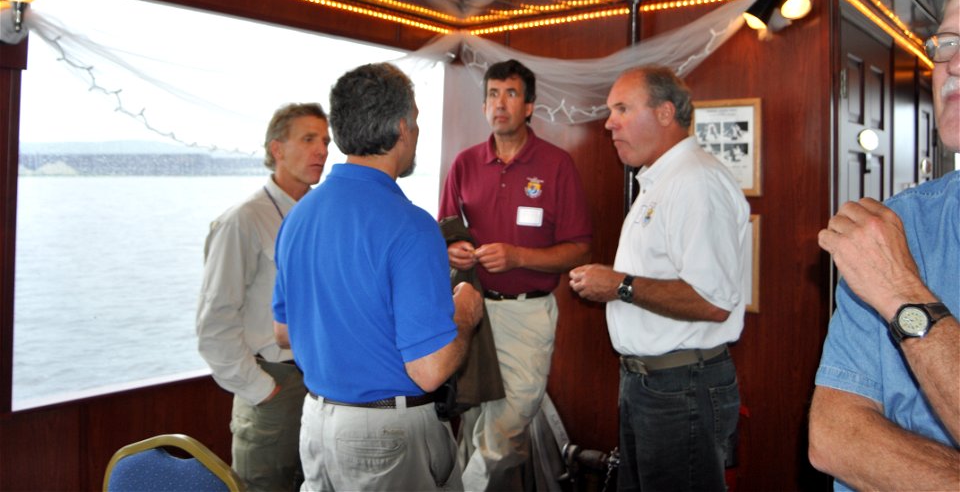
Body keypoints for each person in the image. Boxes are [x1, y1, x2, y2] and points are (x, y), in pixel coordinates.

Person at [272, 62, 483, 491]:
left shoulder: (298, 217)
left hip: (316, 423)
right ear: (403, 127)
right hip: (387, 436)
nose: (418, 132)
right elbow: (429, 369)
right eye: (418, 121)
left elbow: (283, 332)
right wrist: (465, 312)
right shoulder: (411, 225)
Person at [808, 0, 960, 490]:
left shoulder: (886, 251)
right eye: (947, 43)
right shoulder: (898, 224)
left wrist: (900, 293)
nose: (953, 65)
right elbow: (833, 436)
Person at [569, 66, 749, 491]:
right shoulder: (659, 181)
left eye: (623, 109)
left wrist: (619, 285)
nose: (609, 123)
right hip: (649, 383)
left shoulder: (695, 182)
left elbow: (712, 300)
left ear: (666, 113)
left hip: (680, 387)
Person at [439, 59, 592, 491]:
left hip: (527, 314)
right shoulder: (465, 163)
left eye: (510, 94)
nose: (499, 103)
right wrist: (453, 249)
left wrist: (518, 256)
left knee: (512, 419)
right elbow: (444, 229)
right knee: (471, 421)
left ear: (529, 106)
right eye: (492, 94)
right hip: (470, 309)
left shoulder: (557, 164)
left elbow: (579, 248)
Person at [196, 102, 330, 492]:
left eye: (325, 141)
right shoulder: (243, 220)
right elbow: (214, 324)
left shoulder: (322, 217)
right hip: (273, 383)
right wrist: (262, 390)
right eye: (308, 140)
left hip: (322, 384)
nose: (321, 150)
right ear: (277, 149)